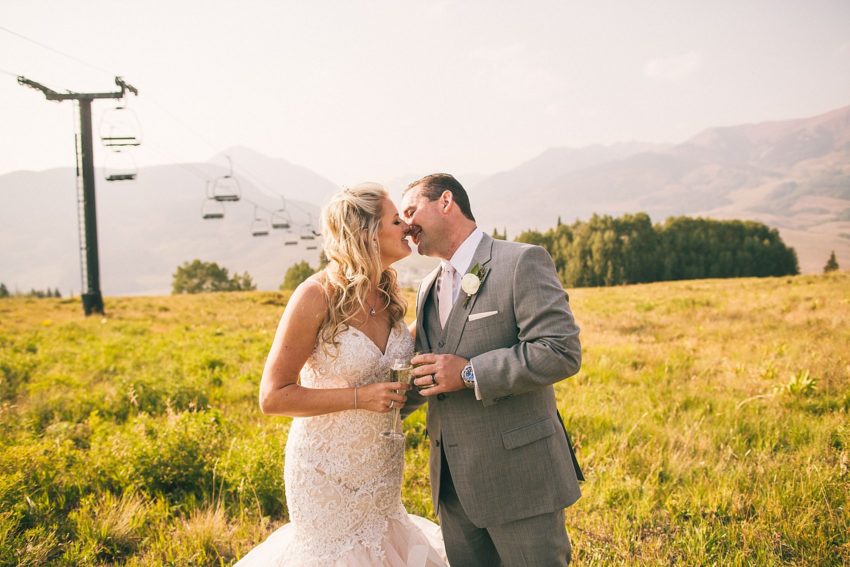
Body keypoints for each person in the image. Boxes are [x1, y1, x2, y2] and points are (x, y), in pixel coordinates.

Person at [236, 183, 447, 567]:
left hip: (381, 470)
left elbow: (404, 350)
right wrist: (359, 397)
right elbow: (272, 396)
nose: (406, 227)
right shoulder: (314, 296)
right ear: (366, 233)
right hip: (324, 474)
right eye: (396, 219)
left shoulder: (389, 295)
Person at [400, 173, 583, 566]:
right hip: (451, 486)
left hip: (519, 478)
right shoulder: (427, 286)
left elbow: (560, 349)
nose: (406, 226)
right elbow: (429, 370)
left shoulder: (520, 261)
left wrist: (469, 373)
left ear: (446, 201)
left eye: (411, 210)